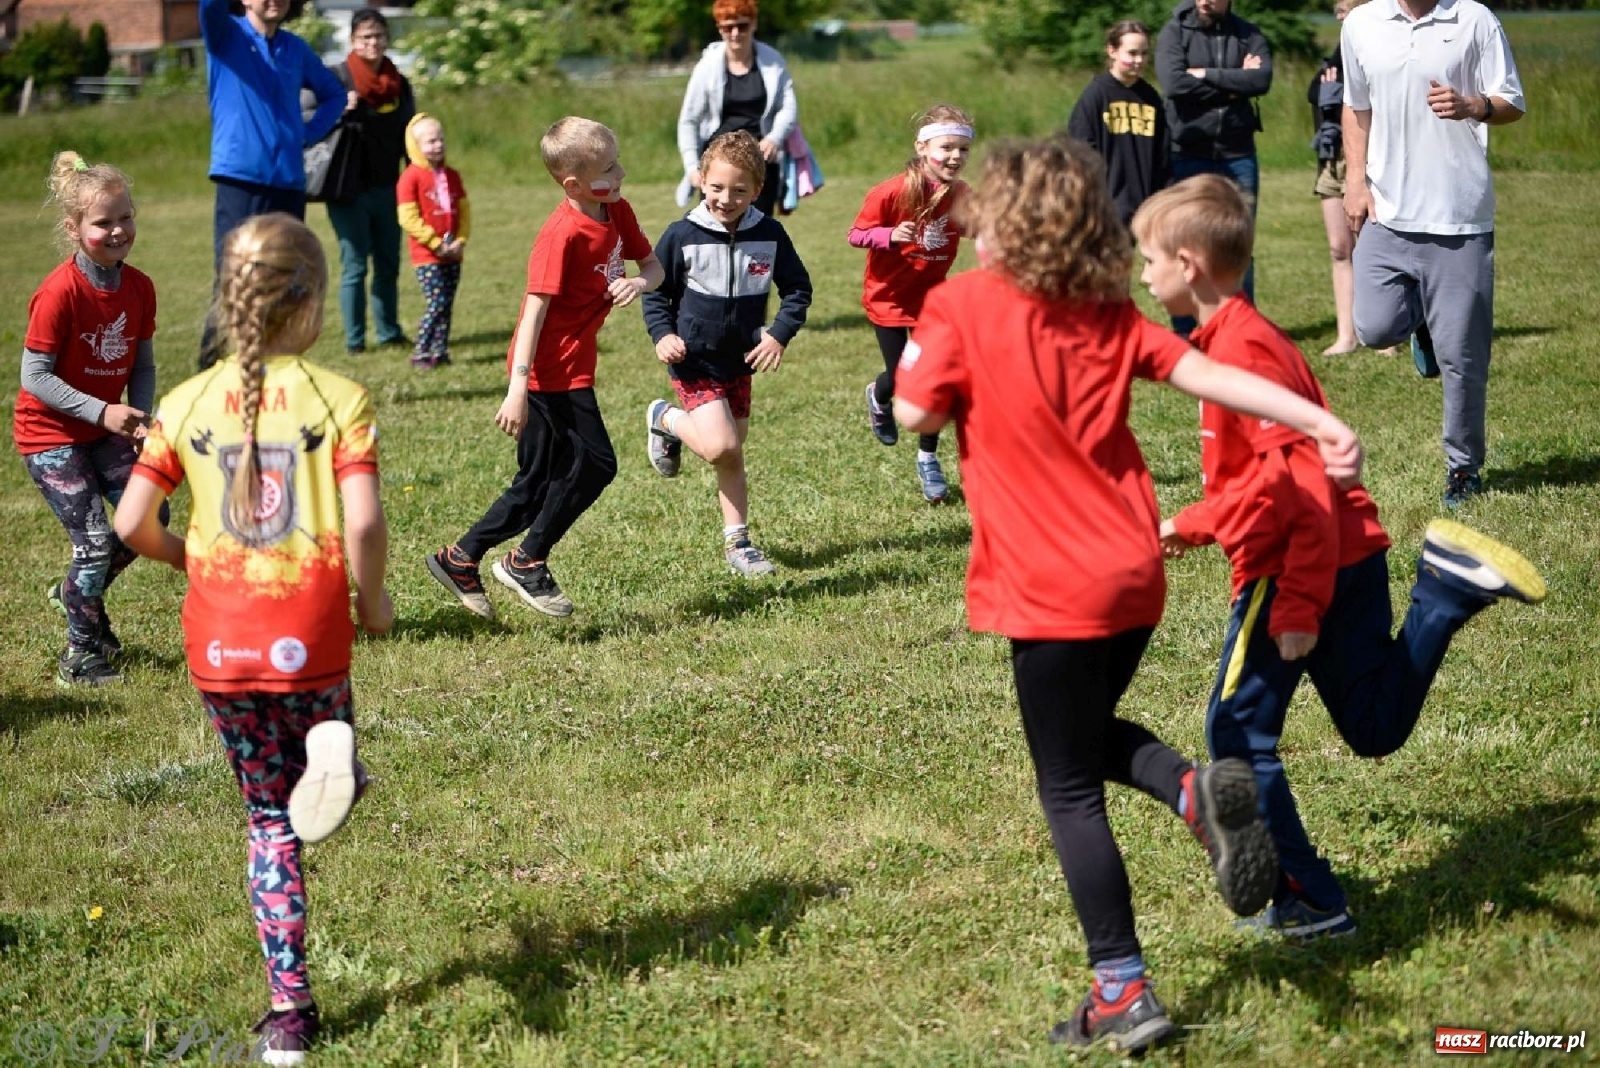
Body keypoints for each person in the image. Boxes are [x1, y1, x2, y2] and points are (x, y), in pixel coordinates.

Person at [891, 135, 1366, 1054]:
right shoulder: (1104, 311)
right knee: (1085, 735)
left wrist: (922, 361)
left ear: (1000, 225)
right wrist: (1316, 415)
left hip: (1048, 585)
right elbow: (1201, 370)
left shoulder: (964, 304)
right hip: (1134, 578)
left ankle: (1123, 988)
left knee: (1066, 784)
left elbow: (915, 413)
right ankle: (1193, 794)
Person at [1136, 175, 1547, 940]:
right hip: (1346, 552)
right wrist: (1195, 522)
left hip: (1296, 561)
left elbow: (1300, 489)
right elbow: (1280, 480)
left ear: (1188, 264)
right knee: (1370, 725)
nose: (1142, 272)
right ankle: (1445, 596)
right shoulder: (1231, 339)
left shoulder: (1246, 354)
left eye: (1148, 258)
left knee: (1234, 737)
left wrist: (1292, 604)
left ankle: (1313, 901)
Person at [113, 214, 393, 1067]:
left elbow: (131, 522)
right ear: (307, 306)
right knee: (316, 742)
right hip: (310, 632)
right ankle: (334, 756)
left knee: (268, 821)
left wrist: (190, 560)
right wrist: (372, 600)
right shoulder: (338, 398)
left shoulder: (183, 402)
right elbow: (367, 522)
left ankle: (287, 1014)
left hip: (222, 645)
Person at [425, 118, 663, 619]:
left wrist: (637, 286)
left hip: (575, 365)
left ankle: (461, 557)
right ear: (572, 183)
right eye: (608, 168)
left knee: (535, 481)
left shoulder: (617, 211)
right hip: (543, 373)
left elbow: (654, 268)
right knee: (594, 464)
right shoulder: (560, 234)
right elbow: (532, 311)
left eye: (617, 161)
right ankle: (525, 560)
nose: (621, 173)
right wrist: (516, 389)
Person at [1341, 0, 1525, 507]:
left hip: (1458, 216)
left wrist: (1474, 107)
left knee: (1462, 356)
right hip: (1387, 210)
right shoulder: (1362, 23)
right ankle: (1419, 317)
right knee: (1374, 327)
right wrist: (1355, 182)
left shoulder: (1474, 19)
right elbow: (1356, 108)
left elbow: (1511, 100)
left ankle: (1463, 469)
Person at [642, 131, 813, 577]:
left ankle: (739, 544)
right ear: (701, 180)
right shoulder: (681, 235)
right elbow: (656, 294)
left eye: (740, 190)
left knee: (733, 453)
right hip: (693, 358)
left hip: (741, 360)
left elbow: (797, 289)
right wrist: (662, 334)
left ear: (757, 190)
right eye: (717, 187)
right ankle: (666, 418)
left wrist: (778, 334)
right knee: (721, 447)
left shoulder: (770, 233)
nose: (726, 198)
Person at [17, 153, 158, 688]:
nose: (118, 230)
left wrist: (141, 419)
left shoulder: (139, 287)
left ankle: (73, 593)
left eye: (125, 217)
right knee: (96, 542)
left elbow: (141, 365)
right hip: (50, 434)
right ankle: (81, 652)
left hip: (107, 430)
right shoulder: (59, 292)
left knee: (146, 525)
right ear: (74, 229)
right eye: (103, 222)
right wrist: (103, 410)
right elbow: (35, 377)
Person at [197, 0, 346, 370]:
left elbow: (335, 94)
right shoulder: (226, 35)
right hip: (240, 179)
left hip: (288, 182)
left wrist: (306, 132)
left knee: (286, 277)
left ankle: (275, 366)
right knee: (233, 273)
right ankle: (212, 367)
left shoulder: (295, 48)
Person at [853, 104, 973, 504]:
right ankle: (878, 394)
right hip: (888, 299)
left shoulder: (960, 195)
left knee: (935, 379)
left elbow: (977, 226)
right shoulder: (890, 192)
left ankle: (928, 459)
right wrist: (888, 236)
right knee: (903, 378)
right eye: (947, 148)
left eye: (963, 149)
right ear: (922, 147)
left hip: (931, 303)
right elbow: (856, 234)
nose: (955, 157)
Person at [1155, 0, 1271, 335]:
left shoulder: (1248, 34)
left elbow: (1261, 80)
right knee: (1185, 241)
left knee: (1238, 242)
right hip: (1188, 152)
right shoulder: (1174, 32)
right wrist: (1236, 85)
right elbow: (1174, 85)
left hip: (1238, 153)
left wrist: (1205, 75)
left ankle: (1241, 329)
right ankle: (1186, 329)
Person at [325, 7, 416, 355]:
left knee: (388, 263)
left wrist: (417, 180)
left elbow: (411, 133)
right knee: (355, 264)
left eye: (378, 35)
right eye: (365, 36)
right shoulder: (336, 79)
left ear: (387, 39)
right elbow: (308, 121)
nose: (372, 42)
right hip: (347, 188)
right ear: (352, 40)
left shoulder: (398, 82)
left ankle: (390, 332)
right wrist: (336, 110)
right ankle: (355, 340)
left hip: (390, 186)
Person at [676, 0, 798, 218]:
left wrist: (774, 138)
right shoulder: (707, 66)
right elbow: (689, 120)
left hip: (760, 162)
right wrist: (692, 167)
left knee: (758, 232)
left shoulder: (773, 62)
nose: (735, 33)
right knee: (716, 230)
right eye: (727, 27)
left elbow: (787, 107)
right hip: (717, 161)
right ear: (719, 28)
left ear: (753, 24)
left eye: (742, 26)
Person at [1067, 21, 1169, 228]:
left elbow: (1163, 155)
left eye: (1144, 53)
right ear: (1112, 51)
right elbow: (1080, 151)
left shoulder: (1150, 98)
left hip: (1142, 204)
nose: (1139, 60)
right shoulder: (1096, 95)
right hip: (1105, 204)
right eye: (1131, 53)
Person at [1307, 0, 1363, 355]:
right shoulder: (1335, 59)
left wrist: (1338, 96)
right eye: (1339, 13)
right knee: (1339, 248)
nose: (1341, 19)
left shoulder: (1376, 54)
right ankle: (1347, 335)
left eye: (1347, 11)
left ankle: (1382, 334)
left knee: (1371, 250)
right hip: (1332, 161)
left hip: (1368, 162)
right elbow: (1316, 92)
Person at [396, 113, 470, 369]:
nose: (437, 145)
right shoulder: (410, 177)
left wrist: (460, 239)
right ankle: (421, 350)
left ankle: (440, 350)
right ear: (416, 146)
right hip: (427, 255)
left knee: (447, 303)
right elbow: (407, 217)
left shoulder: (452, 175)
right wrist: (435, 243)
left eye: (440, 139)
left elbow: (464, 209)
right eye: (430, 141)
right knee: (436, 302)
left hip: (453, 252)